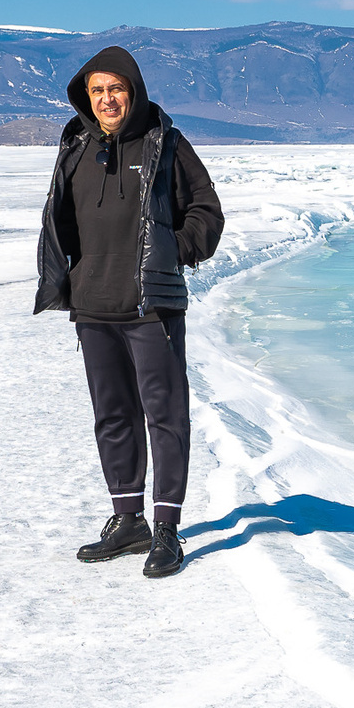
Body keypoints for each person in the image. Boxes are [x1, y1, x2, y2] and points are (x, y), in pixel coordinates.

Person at [34, 46, 224, 578]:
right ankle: (127, 519)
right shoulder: (74, 144)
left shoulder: (165, 142)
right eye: (97, 91)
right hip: (93, 305)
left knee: (165, 417)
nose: (107, 99)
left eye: (115, 88)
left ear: (133, 91)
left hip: (151, 306)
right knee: (112, 417)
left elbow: (207, 211)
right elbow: (61, 217)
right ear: (85, 99)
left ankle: (166, 529)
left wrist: (175, 249)